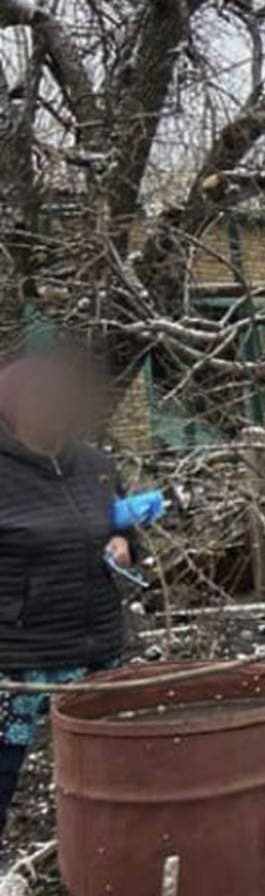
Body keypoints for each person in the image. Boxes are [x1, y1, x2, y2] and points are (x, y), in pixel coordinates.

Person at [0, 351, 134, 838]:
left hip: (96, 645)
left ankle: (105, 853)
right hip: (19, 656)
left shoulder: (95, 465)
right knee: (5, 767)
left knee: (107, 763)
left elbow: (120, 522)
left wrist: (124, 544)